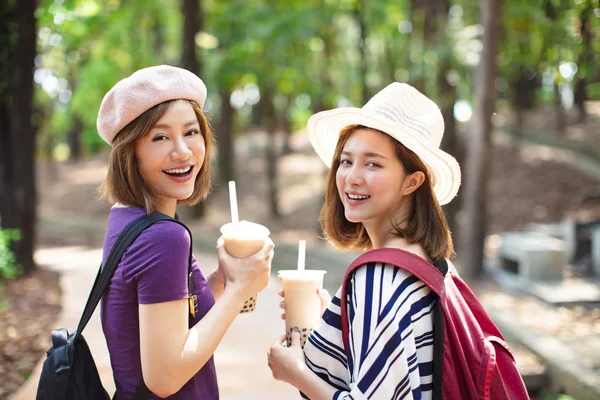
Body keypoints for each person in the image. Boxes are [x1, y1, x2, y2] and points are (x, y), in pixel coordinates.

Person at [267, 82, 461, 399]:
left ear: (413, 181)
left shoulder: (379, 278)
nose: (352, 177)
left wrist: (296, 373)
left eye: (373, 163)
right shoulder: (427, 262)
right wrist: (335, 318)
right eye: (346, 161)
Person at [96, 65, 274, 399]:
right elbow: (164, 378)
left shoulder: (127, 219)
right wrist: (240, 290)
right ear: (129, 152)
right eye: (160, 137)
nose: (182, 151)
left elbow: (171, 319)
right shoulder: (164, 237)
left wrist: (222, 280)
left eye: (191, 132)